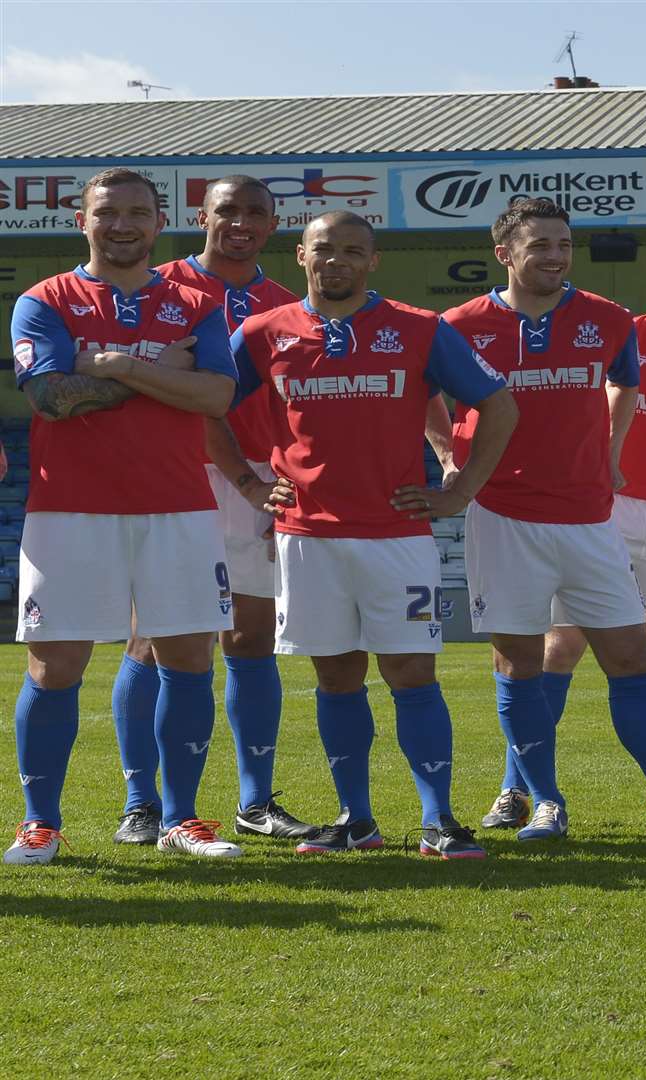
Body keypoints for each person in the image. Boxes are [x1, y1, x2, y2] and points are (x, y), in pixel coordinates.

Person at [434, 200, 646, 842]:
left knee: (634, 657)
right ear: (505, 253)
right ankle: (541, 802)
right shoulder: (458, 324)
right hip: (504, 514)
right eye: (540, 245)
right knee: (524, 660)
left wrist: (609, 455)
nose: (554, 255)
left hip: (589, 514)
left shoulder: (607, 320)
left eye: (563, 244)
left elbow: (624, 386)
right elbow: (421, 391)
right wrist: (450, 459)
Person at [228, 210, 520, 859]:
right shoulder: (262, 332)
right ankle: (355, 820)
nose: (337, 261)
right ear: (300, 256)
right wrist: (247, 484)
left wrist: (460, 489)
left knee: (412, 673)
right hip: (306, 535)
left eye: (352, 251)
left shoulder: (419, 329)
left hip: (397, 535)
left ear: (373, 261)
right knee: (336, 678)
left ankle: (438, 820)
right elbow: (204, 405)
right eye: (324, 249)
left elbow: (499, 404)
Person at [8, 167, 242, 864]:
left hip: (178, 508)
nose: (123, 224)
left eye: (138, 212)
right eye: (108, 212)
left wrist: (111, 367)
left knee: (189, 656)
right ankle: (40, 824)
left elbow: (217, 397)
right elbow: (51, 398)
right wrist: (162, 373)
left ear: (158, 220)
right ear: (82, 220)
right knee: (55, 665)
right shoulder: (44, 299)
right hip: (69, 510)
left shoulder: (198, 299)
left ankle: (181, 819)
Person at [138, 175, 318, 844]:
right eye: (227, 211)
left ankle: (254, 800)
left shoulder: (284, 306)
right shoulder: (156, 289)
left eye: (254, 213)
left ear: (274, 225)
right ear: (200, 215)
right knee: (153, 641)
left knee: (250, 638)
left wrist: (278, 481)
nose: (240, 223)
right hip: (174, 473)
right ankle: (141, 804)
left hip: (259, 478)